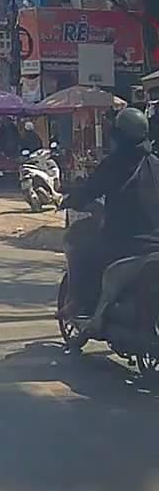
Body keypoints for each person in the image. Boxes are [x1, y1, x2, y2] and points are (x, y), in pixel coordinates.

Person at [60, 107, 159, 337]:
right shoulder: (155, 164)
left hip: (125, 245)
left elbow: (89, 191)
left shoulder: (114, 164)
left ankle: (79, 304)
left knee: (82, 249)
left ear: (118, 136)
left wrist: (70, 200)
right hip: (155, 246)